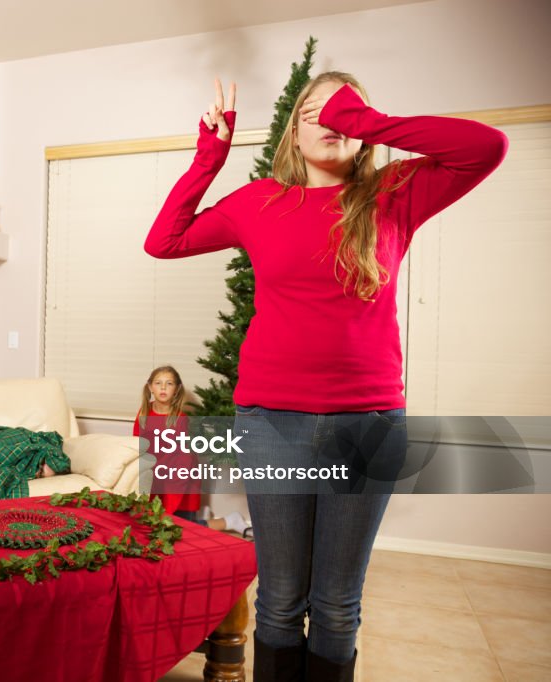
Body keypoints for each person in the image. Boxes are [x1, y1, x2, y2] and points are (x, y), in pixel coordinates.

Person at [145, 74, 506, 680]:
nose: (334, 119)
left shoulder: (395, 192)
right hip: (270, 425)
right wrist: (210, 159)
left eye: (348, 109)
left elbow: (486, 146)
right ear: (293, 129)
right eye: (317, 110)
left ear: (364, 125)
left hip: (367, 427)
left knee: (337, 607)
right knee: (280, 601)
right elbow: (165, 241)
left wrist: (371, 122)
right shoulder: (260, 202)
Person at [133, 366, 249, 534]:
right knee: (152, 526)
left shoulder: (180, 419)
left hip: (179, 481)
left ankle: (229, 521)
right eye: (158, 383)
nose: (163, 388)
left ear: (177, 389)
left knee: (178, 530)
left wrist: (170, 498)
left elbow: (184, 461)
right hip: (154, 480)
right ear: (150, 387)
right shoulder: (143, 414)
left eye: (169, 383)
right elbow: (136, 448)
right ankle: (202, 516)